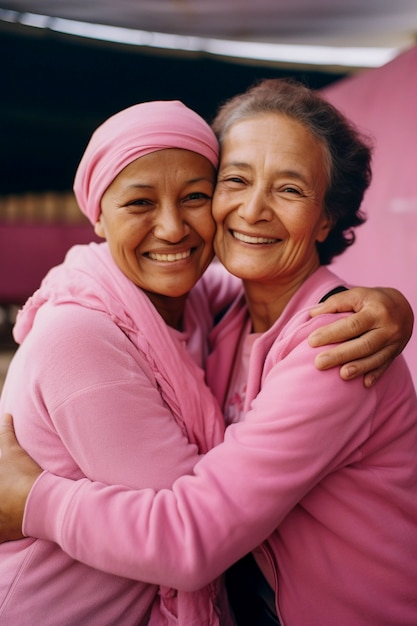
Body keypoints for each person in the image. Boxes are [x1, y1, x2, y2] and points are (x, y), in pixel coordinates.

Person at [0, 83, 416, 625]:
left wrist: (32, 501)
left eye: (288, 190)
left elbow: (189, 536)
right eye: (235, 181)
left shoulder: (336, 347)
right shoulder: (224, 311)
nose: (253, 209)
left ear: (326, 218)